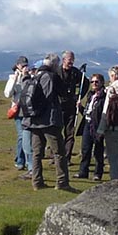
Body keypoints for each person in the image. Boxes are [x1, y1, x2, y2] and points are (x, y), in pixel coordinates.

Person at [23, 53, 76, 192]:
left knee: (37, 153)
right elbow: (60, 95)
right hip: (49, 120)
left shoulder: (35, 75)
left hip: (34, 120)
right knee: (59, 152)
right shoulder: (52, 77)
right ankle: (62, 182)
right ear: (54, 64)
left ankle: (37, 181)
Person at [75, 74, 106, 180]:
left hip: (97, 125)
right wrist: (80, 108)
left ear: (102, 83)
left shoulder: (103, 96)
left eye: (96, 82)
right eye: (92, 82)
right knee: (85, 149)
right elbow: (87, 112)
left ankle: (98, 173)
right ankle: (83, 171)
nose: (94, 84)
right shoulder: (90, 95)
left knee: (98, 150)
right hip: (88, 124)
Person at [3, 55, 31, 171]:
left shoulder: (29, 77)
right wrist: (15, 80)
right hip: (18, 110)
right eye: (22, 65)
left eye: (26, 65)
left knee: (27, 136)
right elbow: (8, 93)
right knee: (21, 135)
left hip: (28, 110)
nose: (24, 67)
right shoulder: (13, 78)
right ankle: (20, 160)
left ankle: (26, 160)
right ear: (17, 66)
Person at [59, 50, 84, 165]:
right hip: (58, 107)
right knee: (57, 132)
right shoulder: (57, 72)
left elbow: (85, 83)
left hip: (71, 107)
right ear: (64, 60)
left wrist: (79, 96)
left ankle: (67, 157)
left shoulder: (76, 72)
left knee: (70, 133)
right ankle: (58, 156)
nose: (71, 62)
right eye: (70, 59)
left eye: (73, 59)